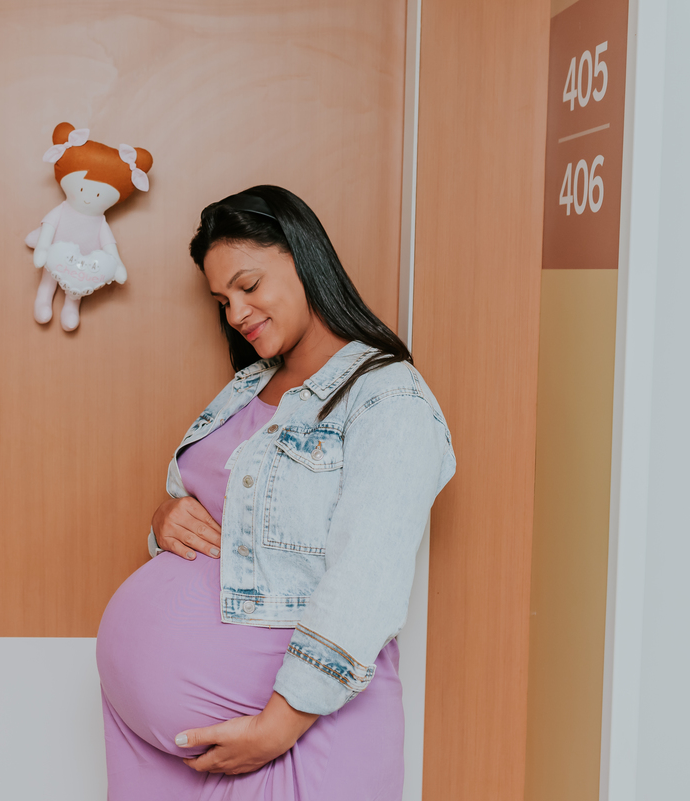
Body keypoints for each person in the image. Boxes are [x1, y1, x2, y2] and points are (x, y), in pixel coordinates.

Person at [95, 185, 456, 799]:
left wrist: (280, 726)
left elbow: (368, 575)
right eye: (222, 299)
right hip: (169, 751)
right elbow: (218, 521)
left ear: (302, 256)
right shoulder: (248, 385)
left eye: (249, 285)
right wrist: (163, 521)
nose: (236, 313)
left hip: (297, 737)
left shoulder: (388, 398)